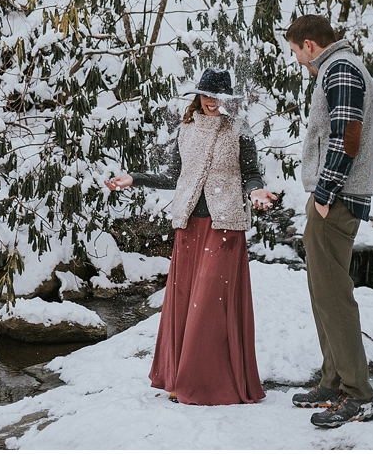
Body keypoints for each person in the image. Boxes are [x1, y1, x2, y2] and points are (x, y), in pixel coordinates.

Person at [106, 67, 277, 406]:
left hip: (224, 223)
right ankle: (180, 377)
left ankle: (204, 384)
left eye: (218, 96)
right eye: (207, 95)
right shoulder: (185, 129)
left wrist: (256, 193)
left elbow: (251, 174)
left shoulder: (238, 130)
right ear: (198, 96)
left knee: (210, 305)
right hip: (189, 225)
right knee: (187, 303)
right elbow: (173, 175)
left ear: (229, 99)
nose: (212, 102)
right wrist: (135, 179)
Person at [285, 15, 373, 428]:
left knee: (334, 296)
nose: (298, 62)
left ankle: (359, 395)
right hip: (333, 197)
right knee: (323, 293)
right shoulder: (338, 68)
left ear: (309, 44)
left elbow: (349, 135)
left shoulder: (339, 68)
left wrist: (324, 192)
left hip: (336, 199)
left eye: (296, 53)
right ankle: (333, 382)